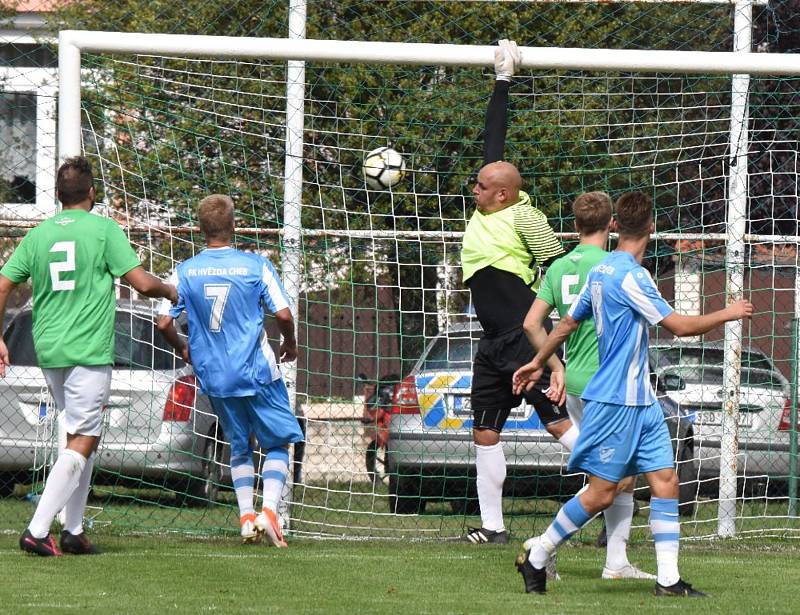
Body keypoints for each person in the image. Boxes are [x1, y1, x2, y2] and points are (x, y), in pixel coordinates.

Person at [512, 191, 753, 597]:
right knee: (604, 492)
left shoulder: (602, 271)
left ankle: (668, 580)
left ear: (616, 226)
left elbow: (567, 324)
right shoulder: (630, 276)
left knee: (665, 479)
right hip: (614, 402)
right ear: (652, 228)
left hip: (643, 402)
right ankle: (538, 555)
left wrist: (540, 361)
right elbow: (677, 326)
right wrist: (726, 313)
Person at [0, 156, 177, 557]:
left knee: (78, 434)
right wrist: (170, 290)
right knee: (85, 436)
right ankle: (38, 529)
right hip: (87, 349)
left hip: (49, 349)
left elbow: (3, 284)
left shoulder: (38, 235)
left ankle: (74, 530)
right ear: (92, 193)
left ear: (58, 195)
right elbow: (140, 283)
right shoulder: (102, 230)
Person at [459, 39, 570, 545]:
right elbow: (492, 140)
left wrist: (554, 346)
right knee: (484, 431)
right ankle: (493, 527)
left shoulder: (524, 215)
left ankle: (616, 491)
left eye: (481, 187)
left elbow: (556, 266)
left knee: (559, 427)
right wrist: (502, 79)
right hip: (491, 345)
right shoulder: (488, 205)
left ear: (501, 193)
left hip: (525, 342)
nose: (474, 190)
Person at [157, 194, 303, 548]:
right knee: (278, 441)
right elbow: (283, 314)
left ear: (200, 229)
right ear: (234, 226)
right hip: (257, 372)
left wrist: (183, 347)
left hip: (216, 377)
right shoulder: (255, 266)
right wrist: (291, 343)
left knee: (239, 446)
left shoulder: (184, 270)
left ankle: (245, 518)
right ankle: (268, 513)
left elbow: (163, 323)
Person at [521, 191, 654, 580]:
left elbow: (531, 324)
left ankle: (616, 562)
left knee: (624, 474)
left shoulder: (559, 267)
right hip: (608, 383)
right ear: (613, 225)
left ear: (575, 225)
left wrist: (554, 366)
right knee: (609, 479)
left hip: (575, 379)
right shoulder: (614, 266)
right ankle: (541, 547)